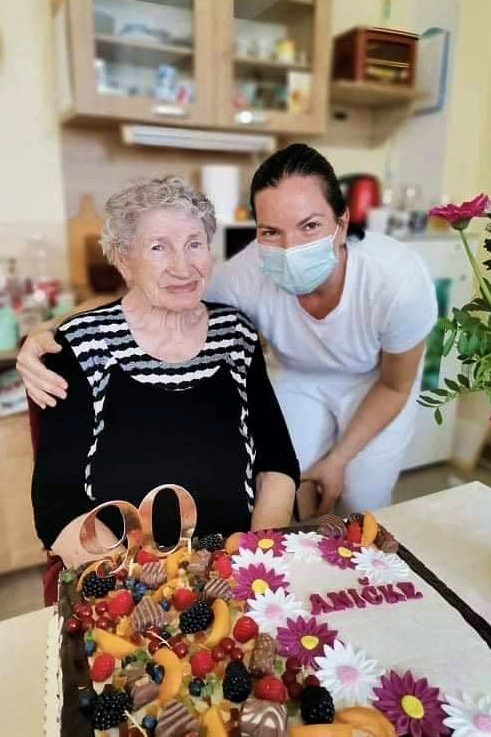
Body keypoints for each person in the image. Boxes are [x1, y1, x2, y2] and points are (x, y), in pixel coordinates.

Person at [20, 144, 437, 519]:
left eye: (309, 226)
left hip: (377, 382)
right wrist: (52, 326)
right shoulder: (247, 274)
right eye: (271, 231)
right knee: (293, 477)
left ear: (341, 224)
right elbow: (150, 294)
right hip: (302, 377)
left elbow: (395, 385)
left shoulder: (396, 281)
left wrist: (340, 460)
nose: (289, 248)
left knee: (364, 494)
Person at [30, 177, 299, 569]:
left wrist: (256, 559)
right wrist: (138, 584)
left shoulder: (236, 333)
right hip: (124, 574)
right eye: (158, 247)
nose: (182, 266)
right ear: (123, 259)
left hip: (235, 563)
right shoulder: (80, 344)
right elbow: (57, 499)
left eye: (195, 244)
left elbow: (276, 460)